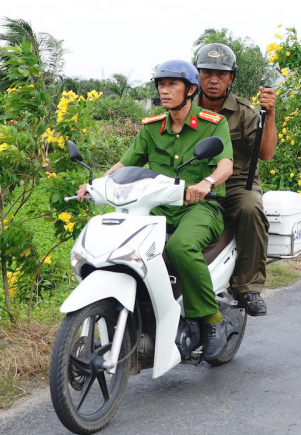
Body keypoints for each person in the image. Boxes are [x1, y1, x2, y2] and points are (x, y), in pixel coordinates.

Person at [76, 60, 234, 360]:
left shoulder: (213, 124)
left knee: (180, 246)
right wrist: (96, 184)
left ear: (191, 90)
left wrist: (207, 182)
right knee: (126, 247)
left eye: (172, 84)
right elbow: (125, 163)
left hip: (199, 206)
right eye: (161, 84)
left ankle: (212, 320)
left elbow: (225, 164)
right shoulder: (151, 128)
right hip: (157, 207)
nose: (164, 90)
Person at [193, 43, 276, 317]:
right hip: (194, 182)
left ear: (231, 78)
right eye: (206, 73)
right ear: (197, 75)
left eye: (221, 74)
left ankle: (248, 287)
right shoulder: (185, 108)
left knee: (251, 209)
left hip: (236, 184)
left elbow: (266, 154)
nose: (213, 80)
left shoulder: (245, 112)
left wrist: (270, 114)